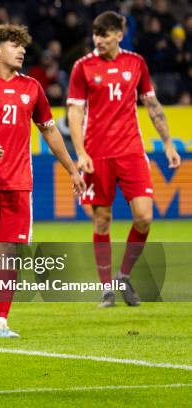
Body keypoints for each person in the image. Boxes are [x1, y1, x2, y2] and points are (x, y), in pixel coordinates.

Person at [0, 24, 84, 338]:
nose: (22, 50)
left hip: (19, 184)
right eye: (14, 45)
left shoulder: (32, 88)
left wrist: (72, 169)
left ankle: (0, 322)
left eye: (23, 46)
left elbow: (49, 130)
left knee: (10, 255)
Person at [67, 11, 181, 308]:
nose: (99, 40)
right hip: (97, 154)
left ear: (119, 34)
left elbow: (152, 104)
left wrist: (168, 142)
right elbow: (75, 112)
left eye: (104, 34)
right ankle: (107, 289)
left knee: (144, 217)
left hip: (131, 151)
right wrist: (80, 152)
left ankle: (123, 275)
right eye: (95, 34)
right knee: (102, 220)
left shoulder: (136, 62)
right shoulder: (83, 67)